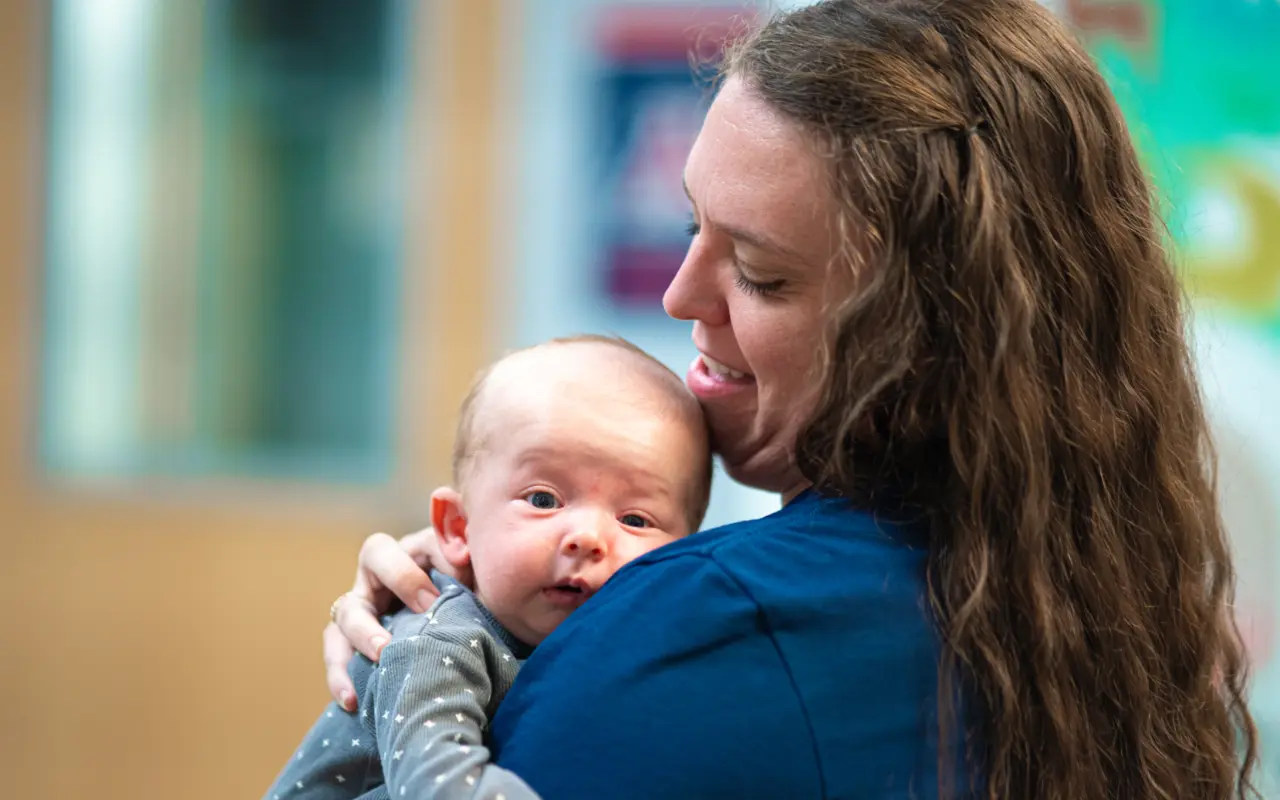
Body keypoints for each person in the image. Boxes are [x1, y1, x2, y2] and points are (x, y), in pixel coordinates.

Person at [322, 1, 1260, 797]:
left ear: (930, 335)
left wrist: (417, 669)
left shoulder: (707, 626)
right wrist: (462, 619)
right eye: (694, 224)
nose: (680, 295)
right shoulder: (1096, 618)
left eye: (762, 276)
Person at [267, 335, 711, 799]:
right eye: (543, 500)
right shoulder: (439, 642)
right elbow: (442, 789)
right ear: (459, 529)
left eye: (635, 519)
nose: (587, 537)